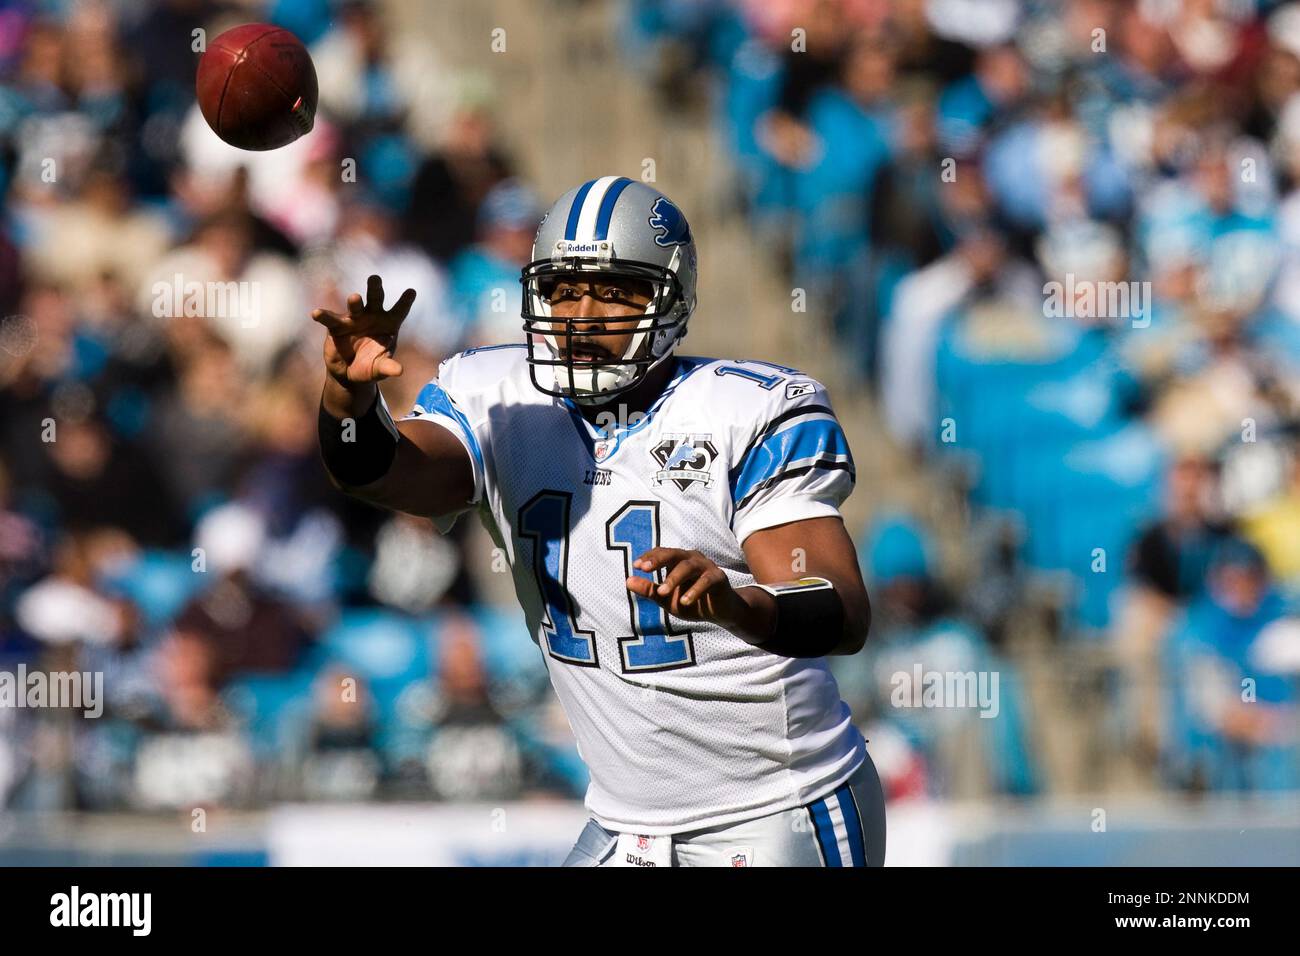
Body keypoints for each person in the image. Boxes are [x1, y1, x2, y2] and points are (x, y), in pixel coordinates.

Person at [313, 177, 885, 867]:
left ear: (668, 302)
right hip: (625, 823)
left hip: (777, 810)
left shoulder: (749, 412)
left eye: (614, 291)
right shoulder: (495, 396)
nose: (581, 313)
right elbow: (378, 470)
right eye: (562, 289)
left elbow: (840, 609)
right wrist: (349, 397)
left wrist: (737, 606)